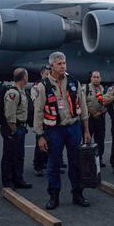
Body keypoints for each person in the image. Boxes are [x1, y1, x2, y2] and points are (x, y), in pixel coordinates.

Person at [33, 52, 91, 209]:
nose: (63, 66)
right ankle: (54, 196)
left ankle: (78, 194)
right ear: (51, 66)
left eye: (64, 63)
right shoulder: (43, 86)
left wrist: (86, 130)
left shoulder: (74, 81)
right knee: (54, 164)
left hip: (73, 127)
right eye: (59, 64)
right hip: (54, 130)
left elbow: (83, 107)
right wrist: (40, 136)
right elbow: (38, 112)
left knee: (76, 163)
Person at [1, 68, 32, 190]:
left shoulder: (22, 91)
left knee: (19, 155)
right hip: (13, 127)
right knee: (9, 155)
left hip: (21, 127)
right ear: (23, 77)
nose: (28, 77)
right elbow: (10, 114)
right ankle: (8, 181)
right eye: (27, 75)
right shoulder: (13, 93)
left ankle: (18, 179)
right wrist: (13, 130)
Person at [83, 71, 107, 167]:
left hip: (100, 118)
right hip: (89, 118)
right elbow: (82, 103)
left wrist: (101, 112)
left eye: (98, 77)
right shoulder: (85, 88)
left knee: (100, 140)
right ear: (91, 78)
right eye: (94, 77)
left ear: (100, 78)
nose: (96, 79)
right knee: (87, 140)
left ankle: (99, 159)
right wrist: (92, 113)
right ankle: (86, 160)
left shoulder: (103, 89)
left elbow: (106, 103)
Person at [31, 66, 50, 176]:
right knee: (40, 142)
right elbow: (36, 102)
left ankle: (47, 162)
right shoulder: (37, 87)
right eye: (47, 74)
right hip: (41, 118)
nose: (48, 76)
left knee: (51, 142)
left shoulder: (52, 85)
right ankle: (37, 165)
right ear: (42, 74)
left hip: (51, 118)